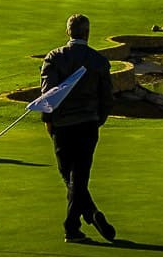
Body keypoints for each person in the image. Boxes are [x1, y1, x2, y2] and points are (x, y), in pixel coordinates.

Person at [39, 13, 116, 244]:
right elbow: (107, 98)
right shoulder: (99, 61)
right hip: (88, 125)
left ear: (67, 33)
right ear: (87, 33)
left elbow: (48, 95)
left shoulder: (54, 58)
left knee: (69, 176)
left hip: (62, 126)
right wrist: (98, 119)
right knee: (79, 176)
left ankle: (73, 226)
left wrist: (48, 122)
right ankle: (85, 217)